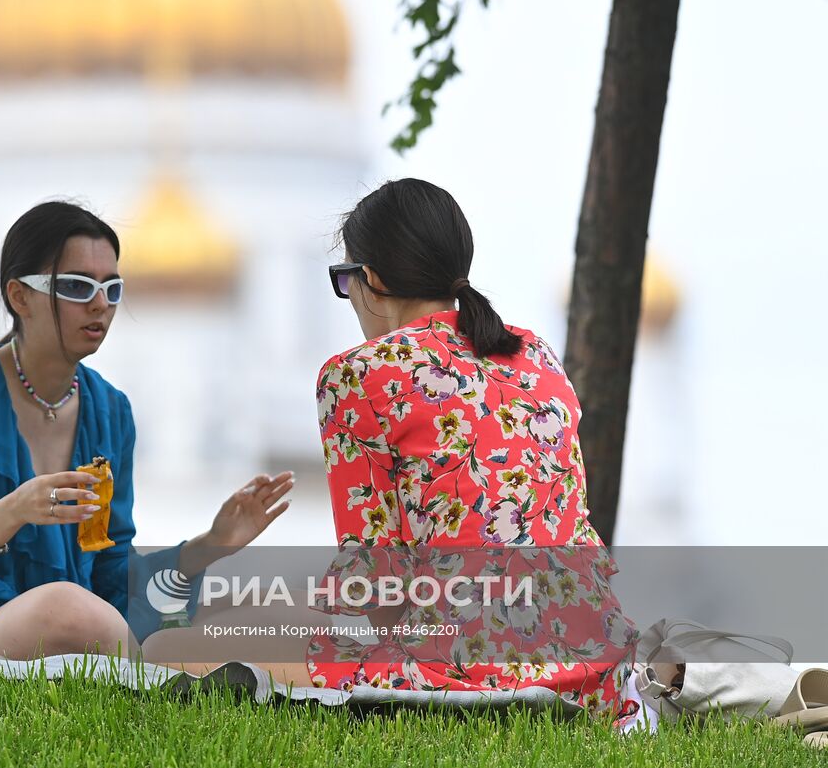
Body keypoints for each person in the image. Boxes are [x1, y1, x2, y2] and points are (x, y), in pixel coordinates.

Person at [144, 179, 635, 721]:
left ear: (369, 278)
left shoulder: (359, 374)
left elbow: (377, 585)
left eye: (345, 281)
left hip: (469, 677)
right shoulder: (535, 354)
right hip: (597, 671)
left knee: (170, 649)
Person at [0, 200, 294, 660]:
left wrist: (211, 546)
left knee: (261, 617)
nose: (100, 304)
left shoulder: (111, 412)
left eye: (112, 288)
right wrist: (15, 510)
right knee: (63, 605)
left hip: (74, 630)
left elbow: (112, 575)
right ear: (20, 296)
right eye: (78, 286)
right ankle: (150, 704)